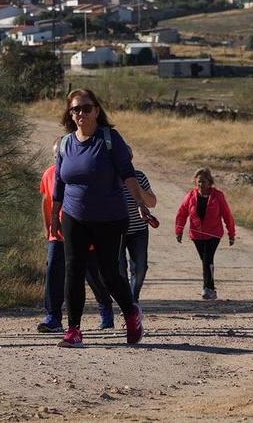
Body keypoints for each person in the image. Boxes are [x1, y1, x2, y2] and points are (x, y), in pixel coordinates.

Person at [51, 89, 148, 348]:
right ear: (69, 114)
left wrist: (140, 203)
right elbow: (59, 183)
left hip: (110, 218)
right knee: (74, 269)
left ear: (96, 110)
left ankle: (131, 313)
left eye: (85, 108)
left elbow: (128, 174)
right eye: (75, 109)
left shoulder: (110, 139)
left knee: (108, 274)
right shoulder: (65, 144)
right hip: (74, 215)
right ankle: (73, 330)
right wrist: (54, 214)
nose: (80, 113)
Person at [39, 144, 119, 332]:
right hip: (57, 233)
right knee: (53, 272)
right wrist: (48, 226)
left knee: (93, 275)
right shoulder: (49, 174)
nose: (58, 157)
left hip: (82, 231)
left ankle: (105, 306)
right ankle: (53, 317)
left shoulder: (81, 174)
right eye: (55, 154)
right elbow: (46, 200)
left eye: (61, 153)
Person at [175, 168, 237, 300]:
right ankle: (212, 288)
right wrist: (179, 230)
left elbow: (227, 215)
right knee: (206, 261)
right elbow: (182, 213)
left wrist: (231, 233)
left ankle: (207, 288)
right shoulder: (191, 196)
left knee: (207, 259)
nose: (200, 185)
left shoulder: (218, 196)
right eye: (198, 182)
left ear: (210, 183)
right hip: (197, 235)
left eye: (203, 182)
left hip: (213, 234)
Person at [118, 161, 158, 303]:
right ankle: (127, 300)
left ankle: (133, 300)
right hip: (116, 231)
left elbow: (152, 202)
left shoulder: (139, 176)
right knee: (119, 269)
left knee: (140, 267)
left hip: (139, 230)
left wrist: (136, 187)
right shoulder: (109, 176)